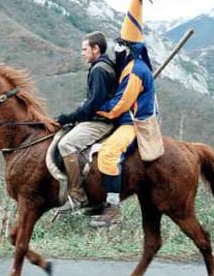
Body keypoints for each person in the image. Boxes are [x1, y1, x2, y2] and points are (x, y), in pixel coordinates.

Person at [89, 0, 157, 227]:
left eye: (120, 44)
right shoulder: (129, 67)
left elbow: (120, 104)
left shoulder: (136, 70)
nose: (116, 48)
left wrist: (96, 109)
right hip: (123, 119)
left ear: (128, 48)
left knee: (108, 153)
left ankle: (113, 208)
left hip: (133, 123)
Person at [56, 31, 117, 213]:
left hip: (100, 122)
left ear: (96, 49)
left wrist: (71, 117)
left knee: (66, 144)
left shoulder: (99, 70)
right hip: (98, 118)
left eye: (85, 49)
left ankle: (77, 195)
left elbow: (94, 104)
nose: (82, 53)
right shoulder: (104, 66)